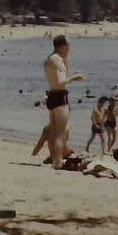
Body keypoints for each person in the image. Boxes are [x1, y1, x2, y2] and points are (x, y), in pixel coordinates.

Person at [42, 35, 84, 169]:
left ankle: (55, 159)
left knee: (54, 132)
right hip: (60, 96)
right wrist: (74, 77)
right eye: (68, 46)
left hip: (51, 95)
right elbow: (61, 81)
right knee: (60, 133)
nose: (70, 48)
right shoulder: (57, 60)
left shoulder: (49, 59)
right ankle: (58, 162)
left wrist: (66, 60)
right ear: (63, 46)